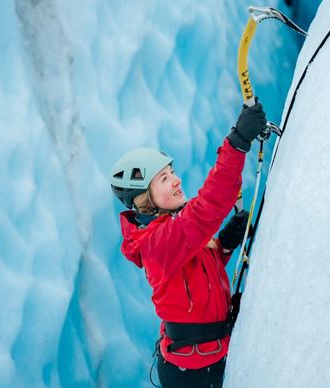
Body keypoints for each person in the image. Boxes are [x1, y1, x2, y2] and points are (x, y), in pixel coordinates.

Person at [110, 101, 268, 387]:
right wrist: (237, 144)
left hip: (205, 358)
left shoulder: (168, 233)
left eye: (171, 173)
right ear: (144, 199)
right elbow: (208, 207)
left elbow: (192, 279)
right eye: (164, 178)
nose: (176, 180)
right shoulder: (156, 243)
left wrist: (223, 247)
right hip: (191, 374)